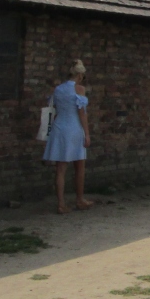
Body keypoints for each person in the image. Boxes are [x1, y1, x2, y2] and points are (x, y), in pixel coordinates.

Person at [44, 60, 92, 213]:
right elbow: (82, 113)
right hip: (74, 128)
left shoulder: (58, 89)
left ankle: (61, 204)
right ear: (80, 75)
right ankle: (80, 199)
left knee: (60, 169)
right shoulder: (79, 89)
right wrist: (87, 134)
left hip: (59, 128)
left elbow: (53, 108)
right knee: (79, 165)